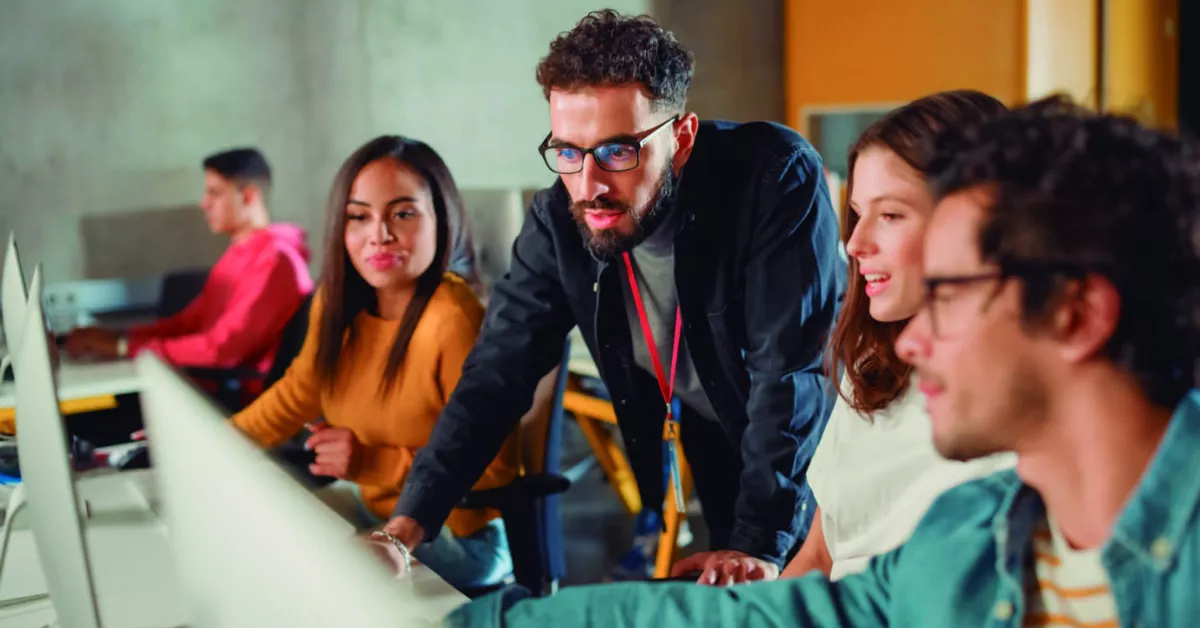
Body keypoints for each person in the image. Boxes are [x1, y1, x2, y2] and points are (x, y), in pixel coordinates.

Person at [443, 97, 1200, 626]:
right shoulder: (969, 537)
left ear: (1075, 315)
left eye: (949, 294)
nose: (909, 341)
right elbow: (800, 608)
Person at [383, 9, 844, 584]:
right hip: (717, 434)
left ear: (681, 138)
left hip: (826, 448)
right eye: (568, 152)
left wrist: (760, 542)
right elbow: (496, 373)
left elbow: (791, 374)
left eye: (618, 152)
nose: (589, 185)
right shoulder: (559, 217)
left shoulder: (773, 175)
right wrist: (405, 528)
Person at [230, 136, 519, 591]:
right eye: (359, 216)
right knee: (261, 538)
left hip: (459, 539)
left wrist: (371, 462)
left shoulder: (454, 318)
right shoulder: (337, 302)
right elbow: (296, 394)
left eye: (403, 214)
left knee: (314, 576)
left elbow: (497, 466)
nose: (379, 234)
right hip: (374, 510)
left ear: (441, 219)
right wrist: (214, 439)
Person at [781, 90, 1014, 581]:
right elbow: (818, 558)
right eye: (858, 213)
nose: (854, 243)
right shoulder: (874, 366)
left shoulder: (1017, 419)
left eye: (889, 215)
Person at [65, 148, 313, 379]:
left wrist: (123, 347)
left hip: (234, 402)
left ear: (248, 196)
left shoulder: (275, 262)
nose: (204, 203)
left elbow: (221, 350)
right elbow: (188, 323)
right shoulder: (241, 254)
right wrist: (122, 336)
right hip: (207, 384)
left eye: (215, 193)